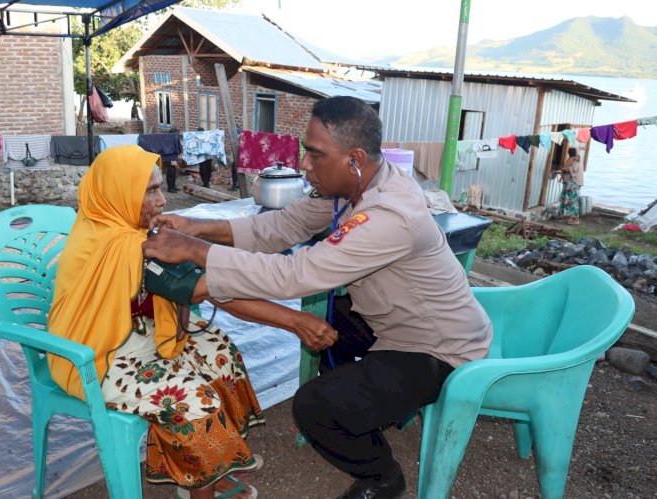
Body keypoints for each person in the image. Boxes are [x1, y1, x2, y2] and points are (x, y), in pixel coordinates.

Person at [142, 96, 493, 498]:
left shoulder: (390, 216)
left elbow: (297, 274)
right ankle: (364, 407)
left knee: (313, 406)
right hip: (398, 320)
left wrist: (194, 250)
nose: (304, 164)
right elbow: (279, 227)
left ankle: (382, 476)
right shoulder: (353, 184)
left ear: (354, 159)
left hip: (438, 348)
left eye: (314, 153)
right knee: (330, 320)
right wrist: (195, 227)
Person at [47, 145, 337, 499]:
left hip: (138, 331)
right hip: (96, 354)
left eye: (159, 188)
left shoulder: (125, 230)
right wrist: (294, 320)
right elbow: (209, 289)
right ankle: (202, 486)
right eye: (150, 191)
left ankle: (215, 465)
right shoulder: (124, 244)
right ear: (118, 195)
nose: (161, 201)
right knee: (192, 401)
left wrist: (197, 244)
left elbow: (209, 282)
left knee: (221, 355)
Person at [560, 147, 583, 225]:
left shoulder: (575, 160)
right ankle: (569, 218)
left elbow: (572, 170)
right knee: (569, 200)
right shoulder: (575, 159)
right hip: (572, 183)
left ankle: (575, 219)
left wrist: (563, 169)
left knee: (572, 201)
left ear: (569, 153)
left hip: (572, 183)